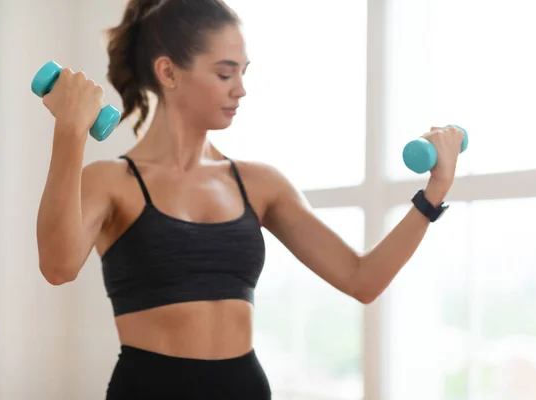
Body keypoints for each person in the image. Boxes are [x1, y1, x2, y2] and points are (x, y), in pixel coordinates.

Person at [35, 0, 464, 398]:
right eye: (225, 73)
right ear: (168, 73)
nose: (240, 89)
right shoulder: (111, 182)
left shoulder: (259, 184)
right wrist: (70, 131)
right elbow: (58, 266)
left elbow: (362, 278)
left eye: (244, 72)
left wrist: (432, 195)